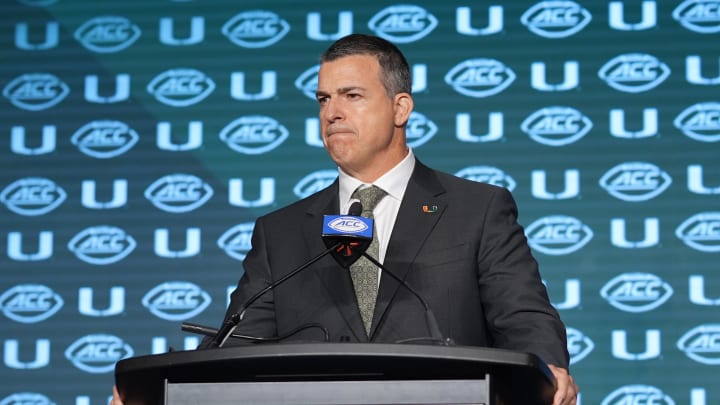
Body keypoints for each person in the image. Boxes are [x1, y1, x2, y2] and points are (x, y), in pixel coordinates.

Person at [112, 33, 578, 405]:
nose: (332, 112)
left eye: (352, 95)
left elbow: (522, 315)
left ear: (401, 107)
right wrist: (154, 393)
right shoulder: (282, 232)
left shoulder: (476, 208)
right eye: (322, 99)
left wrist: (550, 370)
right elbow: (239, 346)